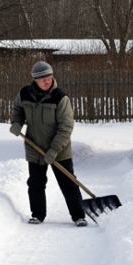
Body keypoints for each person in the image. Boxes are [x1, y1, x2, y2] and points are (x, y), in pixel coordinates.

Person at [10, 61, 86, 226]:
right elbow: (18, 109)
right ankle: (37, 214)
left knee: (68, 182)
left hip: (59, 149)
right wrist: (17, 122)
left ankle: (79, 215)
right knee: (36, 182)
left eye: (49, 77)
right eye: (43, 78)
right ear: (35, 80)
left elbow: (66, 128)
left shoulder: (60, 97)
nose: (47, 81)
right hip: (34, 147)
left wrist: (53, 151)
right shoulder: (24, 93)